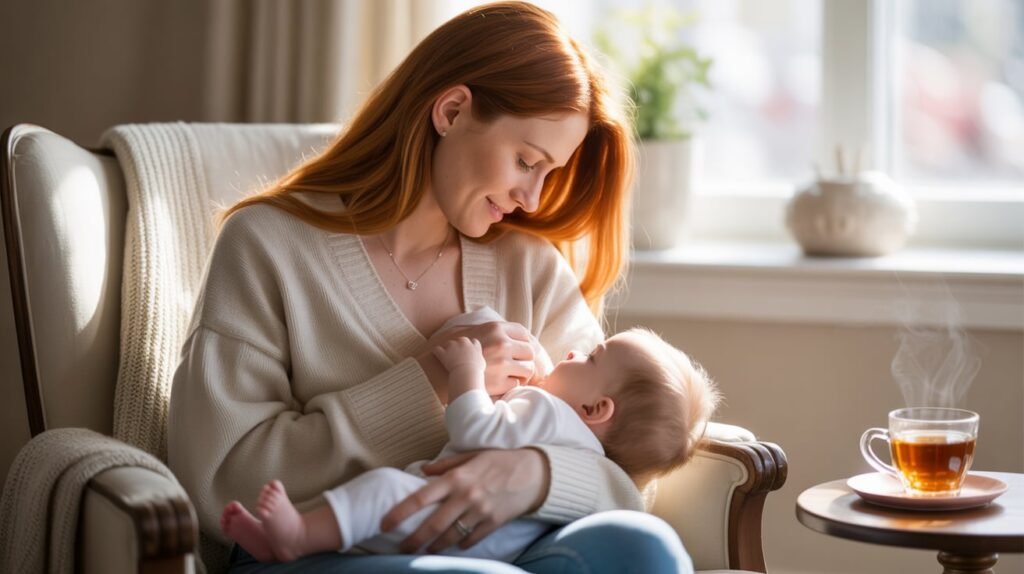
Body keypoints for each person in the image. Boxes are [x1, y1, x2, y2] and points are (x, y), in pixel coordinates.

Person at [168, 2, 696, 572]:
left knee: (646, 547)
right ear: (451, 110)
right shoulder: (269, 245)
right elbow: (223, 476)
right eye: (525, 161)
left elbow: (627, 471)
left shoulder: (531, 268)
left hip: (511, 548)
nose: (534, 199)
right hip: (320, 550)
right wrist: (427, 383)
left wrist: (533, 475)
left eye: (551, 173)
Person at [219, 317, 720, 564]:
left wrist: (466, 373)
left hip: (425, 519)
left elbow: (475, 430)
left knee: (379, 490)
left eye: (589, 357)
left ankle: (298, 534)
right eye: (525, 160)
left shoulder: (546, 408)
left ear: (596, 410)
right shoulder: (579, 437)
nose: (570, 350)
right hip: (487, 553)